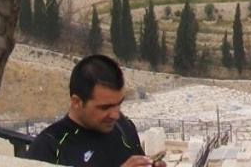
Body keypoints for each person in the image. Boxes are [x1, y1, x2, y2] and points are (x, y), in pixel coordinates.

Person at [27, 55, 160, 167]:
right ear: (77, 102)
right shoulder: (50, 147)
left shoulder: (124, 127)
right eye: (104, 107)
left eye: (118, 104)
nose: (115, 114)